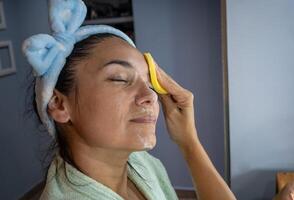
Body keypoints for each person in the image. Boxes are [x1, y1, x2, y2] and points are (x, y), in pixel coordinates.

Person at [21, 0, 236, 199]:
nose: (151, 95)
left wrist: (188, 141)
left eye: (150, 83)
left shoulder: (142, 163)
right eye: (120, 78)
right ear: (59, 104)